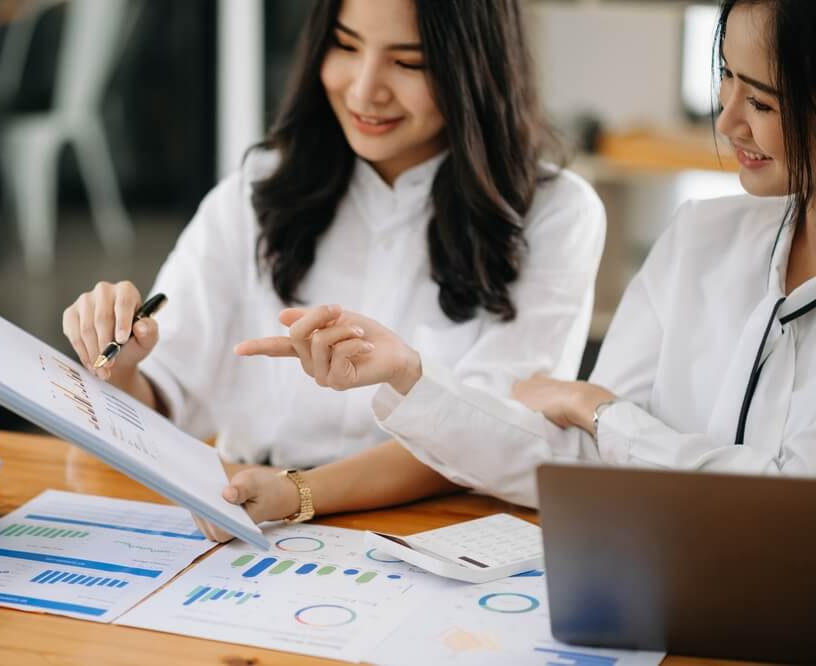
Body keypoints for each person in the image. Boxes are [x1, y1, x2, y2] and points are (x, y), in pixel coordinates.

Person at [195, 0, 816, 541]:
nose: (727, 119)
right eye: (726, 79)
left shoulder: (558, 211)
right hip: (660, 580)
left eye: (760, 98)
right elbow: (585, 465)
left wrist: (601, 412)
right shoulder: (699, 238)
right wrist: (411, 377)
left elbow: (791, 505)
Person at [62, 0, 604, 482]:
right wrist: (125, 364)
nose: (365, 89)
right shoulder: (259, 187)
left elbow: (493, 433)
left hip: (436, 528)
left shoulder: (555, 215)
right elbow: (163, 401)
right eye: (346, 46)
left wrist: (301, 494)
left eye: (408, 61)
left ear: (475, 67)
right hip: (245, 507)